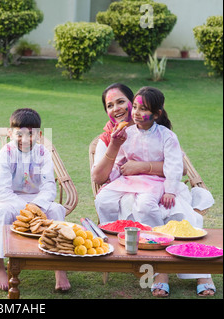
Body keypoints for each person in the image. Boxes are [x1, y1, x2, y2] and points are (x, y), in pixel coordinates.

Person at [94, 86, 215, 297]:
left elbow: (177, 167)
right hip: (129, 184)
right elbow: (108, 171)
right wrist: (114, 151)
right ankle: (120, 249)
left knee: (163, 208)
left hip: (157, 185)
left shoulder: (165, 135)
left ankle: (180, 267)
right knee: (104, 198)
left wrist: (166, 186)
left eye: (122, 102)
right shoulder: (118, 135)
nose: (118, 109)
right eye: (110, 105)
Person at [0, 108, 70, 291]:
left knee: (56, 210)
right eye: (19, 134)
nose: (25, 139)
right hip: (10, 198)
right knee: (1, 212)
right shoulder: (6, 153)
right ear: (10, 133)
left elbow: (49, 186)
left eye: (30, 134)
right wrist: (26, 208)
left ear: (39, 135)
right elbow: (2, 189)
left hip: (37, 199)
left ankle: (59, 267)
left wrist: (35, 205)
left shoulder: (43, 154)